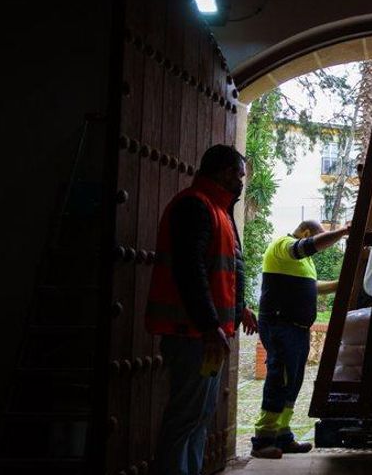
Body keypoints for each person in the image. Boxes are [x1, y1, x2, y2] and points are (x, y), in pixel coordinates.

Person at [145, 144, 258, 475]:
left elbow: (222, 270)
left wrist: (240, 309)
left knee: (199, 417)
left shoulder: (218, 209)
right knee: (185, 418)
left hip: (207, 336)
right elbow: (190, 270)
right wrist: (210, 325)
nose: (241, 181)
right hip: (193, 335)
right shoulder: (195, 206)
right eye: (239, 174)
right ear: (224, 173)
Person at [251, 220, 349, 458]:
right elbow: (306, 247)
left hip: (297, 328)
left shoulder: (305, 262)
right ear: (305, 233)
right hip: (280, 324)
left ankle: (282, 435)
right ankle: (263, 439)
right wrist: (344, 232)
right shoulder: (283, 245)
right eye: (317, 240)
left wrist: (342, 284)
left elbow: (312, 287)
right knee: (279, 378)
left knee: (293, 381)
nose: (320, 247)